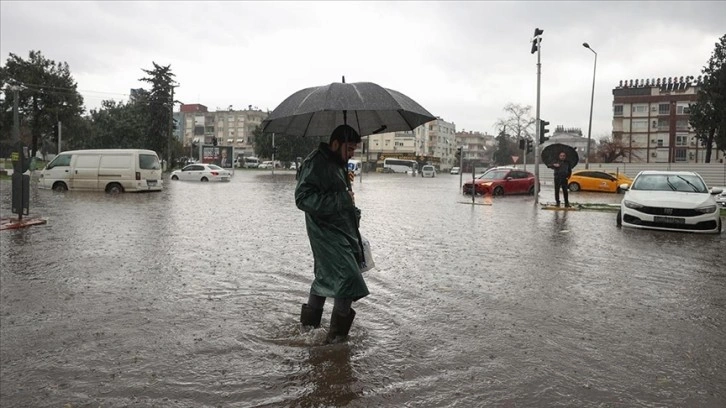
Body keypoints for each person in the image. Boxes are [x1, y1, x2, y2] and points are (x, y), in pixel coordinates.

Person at [294, 124, 369, 344]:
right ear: (335, 144)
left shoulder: (338, 163)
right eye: (349, 148)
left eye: (354, 149)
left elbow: (339, 195)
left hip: (341, 230)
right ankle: (336, 340)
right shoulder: (315, 163)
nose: (352, 154)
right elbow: (302, 199)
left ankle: (308, 331)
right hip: (325, 232)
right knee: (348, 278)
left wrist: (352, 208)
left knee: (325, 277)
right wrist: (342, 200)